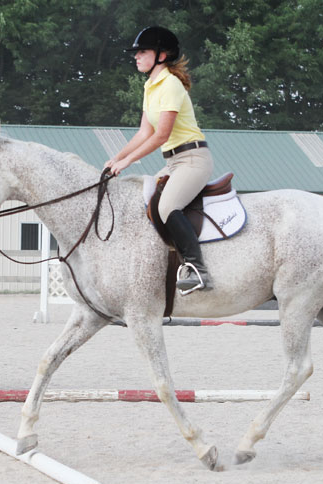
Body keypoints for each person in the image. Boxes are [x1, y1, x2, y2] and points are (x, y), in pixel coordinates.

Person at [105, 26, 215, 293]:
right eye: (137, 53)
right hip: (173, 162)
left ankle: (198, 270)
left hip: (193, 159)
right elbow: (144, 132)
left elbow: (161, 134)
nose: (136, 57)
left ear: (162, 55)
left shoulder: (171, 85)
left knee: (167, 206)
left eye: (142, 52)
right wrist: (114, 159)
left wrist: (128, 162)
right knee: (142, 201)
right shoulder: (150, 86)